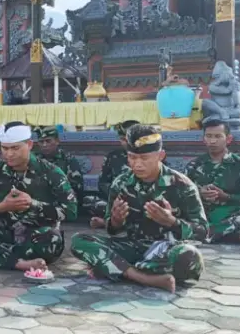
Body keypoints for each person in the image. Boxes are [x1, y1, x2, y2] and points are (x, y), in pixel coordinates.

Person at [70, 125, 207, 293]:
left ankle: (113, 267)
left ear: (160, 156)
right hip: (132, 247)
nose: (137, 164)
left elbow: (202, 232)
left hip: (166, 250)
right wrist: (115, 221)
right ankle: (143, 277)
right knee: (79, 241)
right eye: (132, 158)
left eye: (144, 158)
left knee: (190, 256)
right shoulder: (121, 183)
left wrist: (172, 222)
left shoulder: (182, 185)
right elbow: (112, 231)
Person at [0, 122, 76, 271]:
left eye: (15, 148)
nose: (9, 154)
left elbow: (71, 211)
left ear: (29, 144)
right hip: (8, 233)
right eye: (4, 148)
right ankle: (19, 263)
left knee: (52, 239)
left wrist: (33, 204)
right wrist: (1, 207)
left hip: (38, 236)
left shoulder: (51, 172)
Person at [185, 120, 240, 243]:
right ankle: (223, 234)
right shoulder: (193, 165)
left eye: (218, 136)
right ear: (204, 139)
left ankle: (207, 233)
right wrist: (199, 193)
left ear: (228, 139)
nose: (212, 141)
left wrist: (226, 196)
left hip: (227, 214)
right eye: (209, 136)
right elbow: (180, 194)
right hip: (201, 215)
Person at [89, 120, 139, 228]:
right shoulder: (113, 156)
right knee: (93, 204)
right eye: (122, 139)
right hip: (118, 200)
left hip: (144, 200)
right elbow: (103, 183)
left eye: (128, 139)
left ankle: (108, 223)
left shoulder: (150, 155)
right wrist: (116, 195)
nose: (125, 142)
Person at [34, 126, 84, 219]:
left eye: (48, 141)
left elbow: (77, 187)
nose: (44, 145)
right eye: (41, 142)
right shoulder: (34, 160)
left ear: (57, 141)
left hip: (60, 202)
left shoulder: (68, 160)